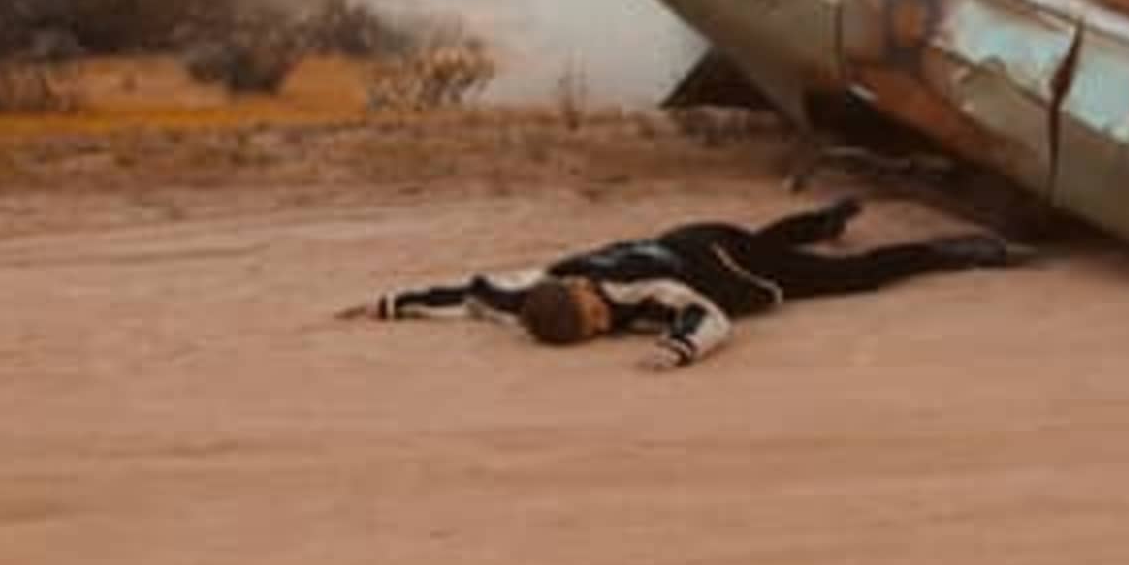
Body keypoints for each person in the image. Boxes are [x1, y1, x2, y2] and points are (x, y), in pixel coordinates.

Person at [349, 197, 1031, 366]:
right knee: (774, 239)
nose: (597, 324)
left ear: (587, 298)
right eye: (590, 330)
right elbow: (469, 294)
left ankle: (956, 251)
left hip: (721, 268)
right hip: (692, 234)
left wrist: (677, 352)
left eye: (591, 317)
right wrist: (388, 305)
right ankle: (828, 215)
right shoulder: (533, 291)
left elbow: (707, 316)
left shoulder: (637, 294)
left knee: (850, 279)